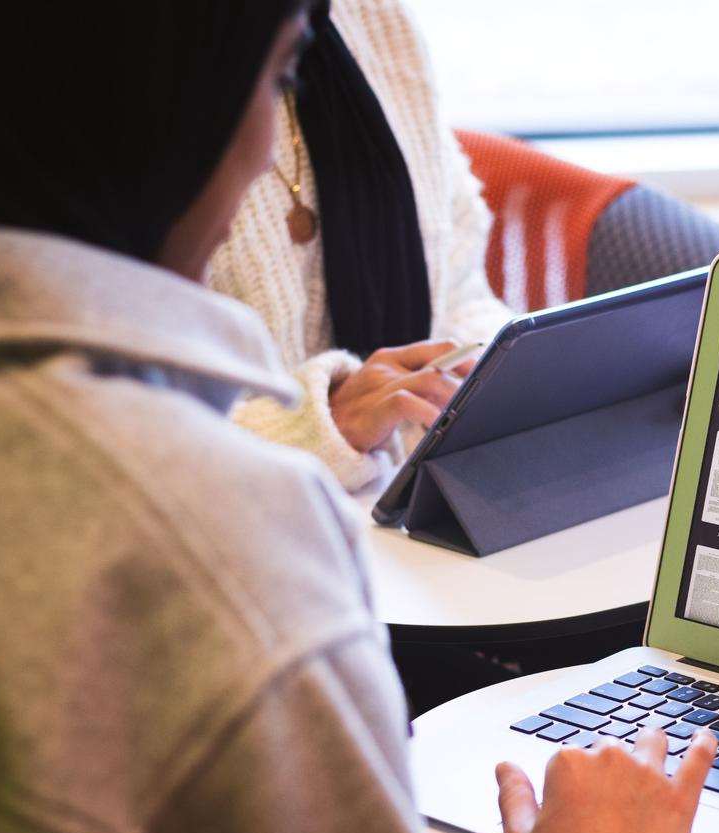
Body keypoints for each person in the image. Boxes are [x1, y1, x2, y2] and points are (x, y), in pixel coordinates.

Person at [0, 3, 717, 833]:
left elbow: (460, 285)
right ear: (154, 101)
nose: (278, 129)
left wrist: (482, 380)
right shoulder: (195, 537)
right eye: (277, 80)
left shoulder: (377, 27)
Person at [208, 0, 513, 493]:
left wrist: (526, 378)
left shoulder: (375, 17)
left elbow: (456, 297)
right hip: (254, 516)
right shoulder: (133, 60)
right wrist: (319, 427)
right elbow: (114, 431)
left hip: (409, 488)